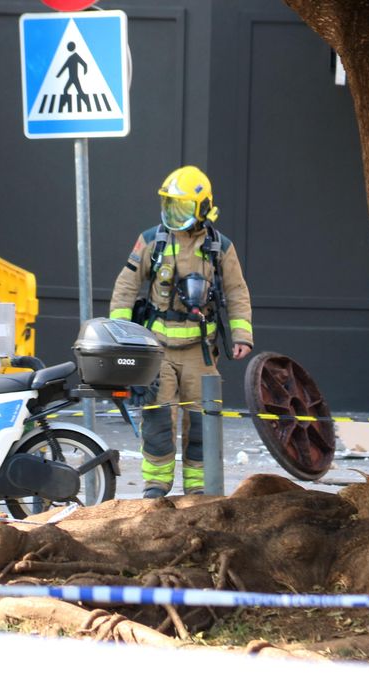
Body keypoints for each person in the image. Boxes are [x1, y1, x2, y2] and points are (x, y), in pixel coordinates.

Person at [109, 165, 253, 497]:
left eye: (183, 208)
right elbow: (125, 287)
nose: (174, 214)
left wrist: (242, 335)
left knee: (202, 425)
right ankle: (155, 488)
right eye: (170, 205)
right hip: (157, 351)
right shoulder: (152, 241)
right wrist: (121, 336)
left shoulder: (220, 247)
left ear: (202, 209)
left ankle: (197, 492)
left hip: (200, 352)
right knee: (157, 422)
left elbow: (237, 291)